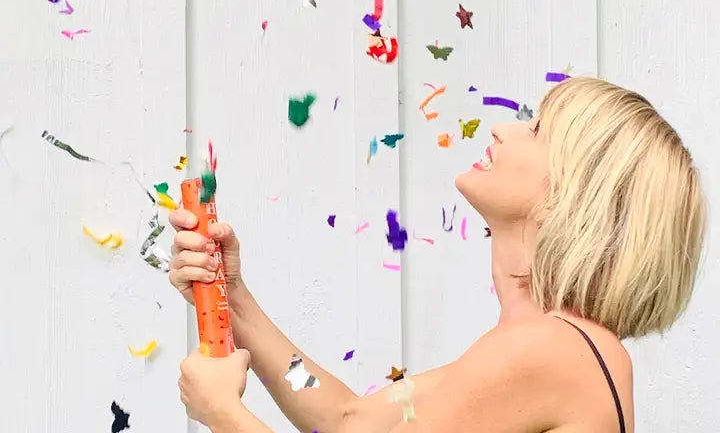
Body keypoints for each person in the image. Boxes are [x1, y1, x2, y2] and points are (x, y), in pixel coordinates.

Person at [171, 77, 706, 432]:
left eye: (538, 128)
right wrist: (233, 297)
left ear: (580, 191)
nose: (504, 127)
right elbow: (345, 418)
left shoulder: (552, 350)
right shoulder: (541, 351)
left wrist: (223, 412)